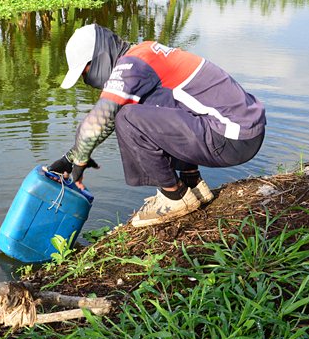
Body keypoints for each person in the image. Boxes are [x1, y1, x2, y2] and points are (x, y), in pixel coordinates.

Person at [49, 23, 266, 227]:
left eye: (85, 73)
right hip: (242, 132)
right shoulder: (145, 52)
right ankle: (191, 183)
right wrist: (71, 158)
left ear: (99, 58)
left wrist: (79, 160)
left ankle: (174, 196)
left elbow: (98, 121)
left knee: (126, 117)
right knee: (155, 104)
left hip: (230, 137)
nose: (87, 80)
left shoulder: (132, 64)